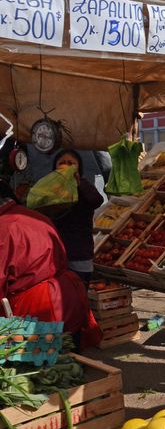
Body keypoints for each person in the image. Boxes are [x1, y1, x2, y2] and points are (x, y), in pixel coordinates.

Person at [0, 180, 102, 348]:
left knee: (44, 357)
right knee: (68, 353)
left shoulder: (4, 227)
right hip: (68, 294)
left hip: (37, 308)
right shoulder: (34, 216)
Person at [48, 149, 105, 287]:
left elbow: (97, 201)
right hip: (56, 255)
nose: (66, 166)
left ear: (79, 167)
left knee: (79, 293)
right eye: (62, 163)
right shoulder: (50, 188)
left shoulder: (84, 186)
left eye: (71, 163)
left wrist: (79, 184)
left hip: (80, 254)